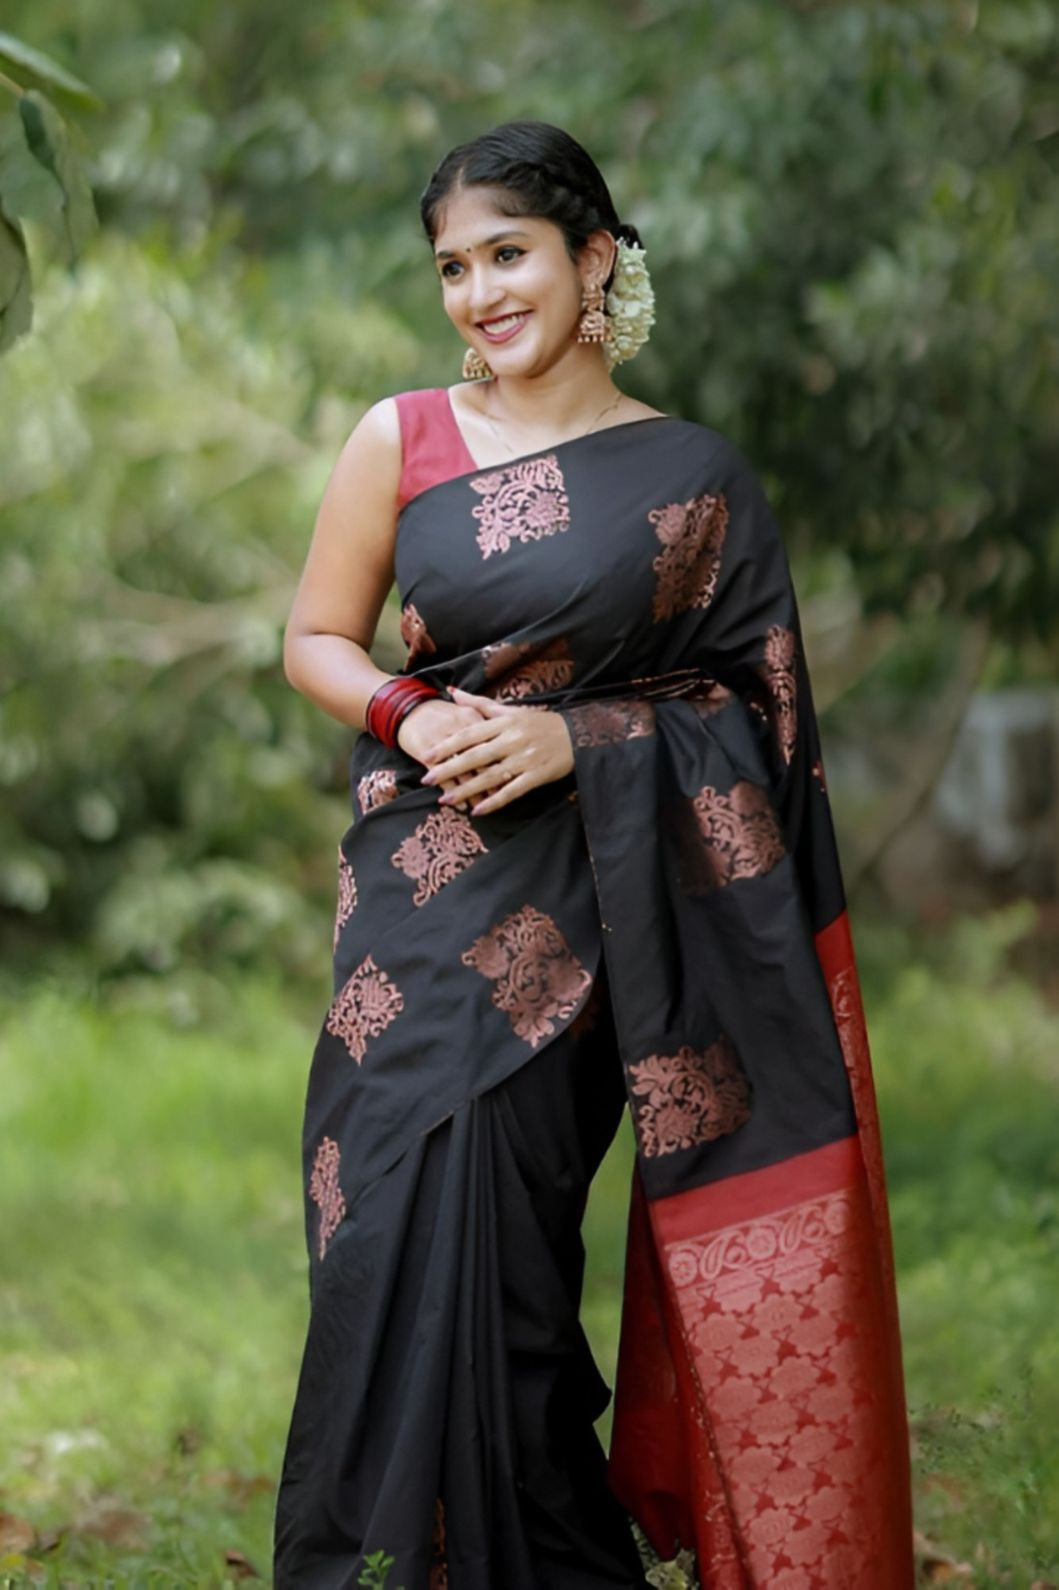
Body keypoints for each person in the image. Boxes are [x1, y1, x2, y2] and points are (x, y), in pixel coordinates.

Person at [273, 120, 915, 1590]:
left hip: (588, 923)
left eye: (508, 254)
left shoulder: (694, 476)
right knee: (377, 1242)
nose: (479, 292)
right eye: (453, 267)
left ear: (595, 258)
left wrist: (586, 742)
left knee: (506, 1278)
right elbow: (315, 636)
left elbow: (757, 718)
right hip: (413, 910)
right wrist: (409, 711)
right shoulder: (401, 438)